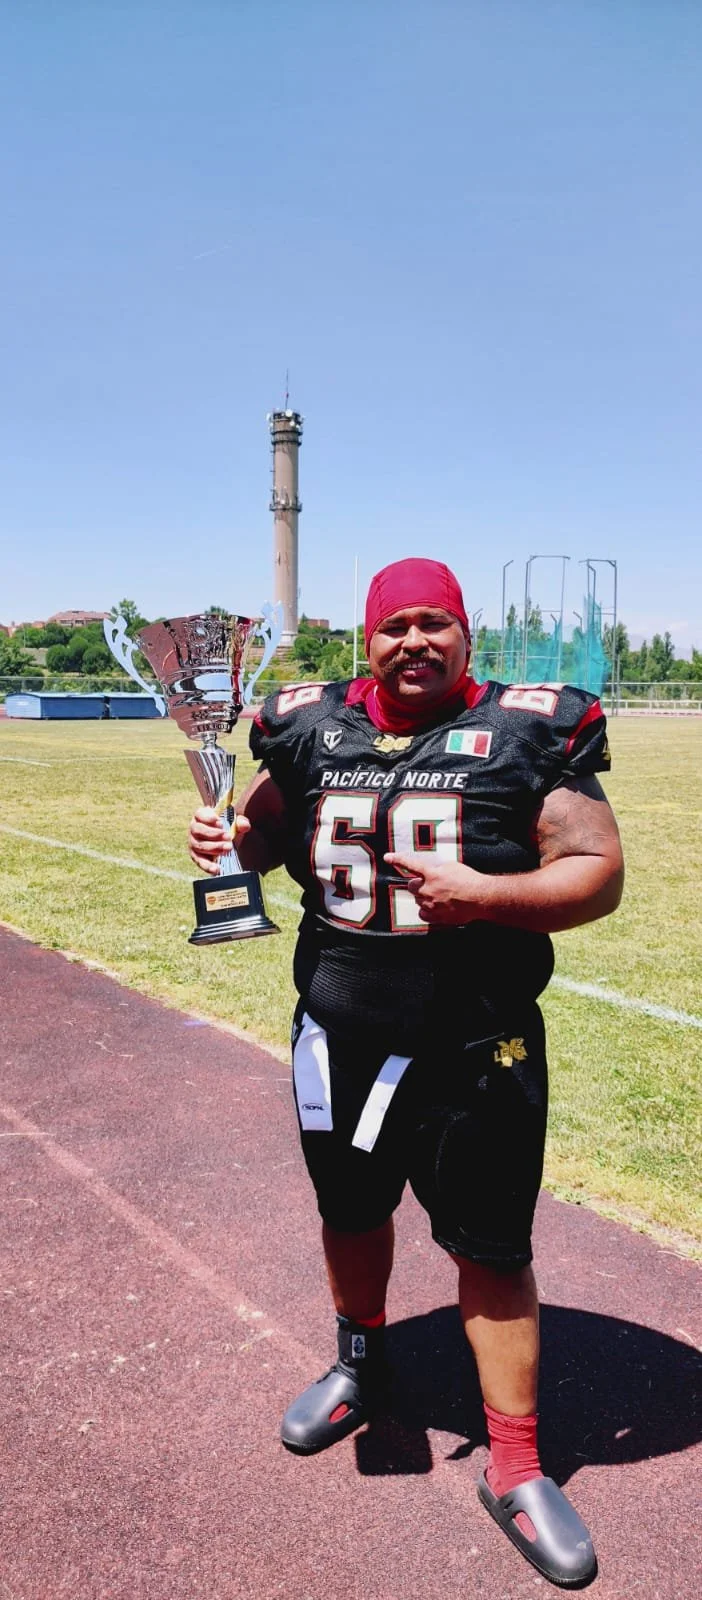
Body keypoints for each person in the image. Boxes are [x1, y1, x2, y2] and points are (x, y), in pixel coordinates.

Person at [188, 558, 623, 1589]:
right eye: (395, 627)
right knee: (349, 1212)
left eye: (435, 624)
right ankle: (360, 1361)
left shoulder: (526, 730)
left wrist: (482, 891)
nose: (414, 643)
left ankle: (514, 1464)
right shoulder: (307, 722)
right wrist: (228, 840)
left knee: (492, 1249)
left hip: (476, 1045)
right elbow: (262, 830)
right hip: (337, 1036)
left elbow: (595, 870)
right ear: (367, 640)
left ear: (465, 636)